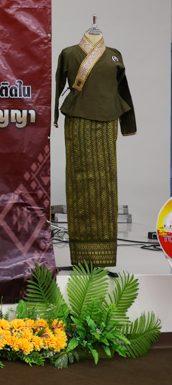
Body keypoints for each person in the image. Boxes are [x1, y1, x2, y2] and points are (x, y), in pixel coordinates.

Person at [53, 21, 135, 267]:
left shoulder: (114, 55)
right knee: (79, 182)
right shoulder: (68, 54)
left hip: (108, 123)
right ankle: (81, 255)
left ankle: (104, 254)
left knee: (106, 184)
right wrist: (54, 117)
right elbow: (57, 86)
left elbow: (123, 91)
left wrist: (128, 124)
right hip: (77, 122)